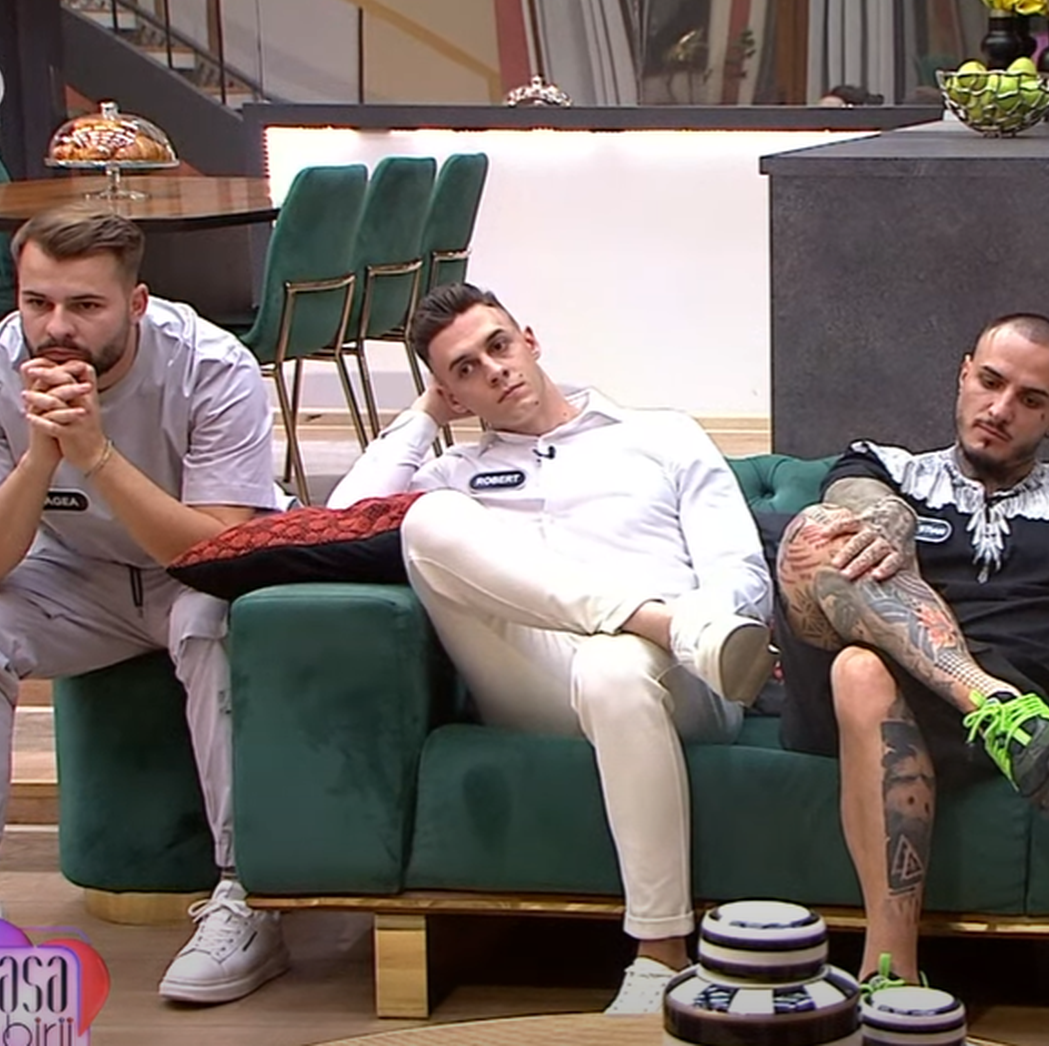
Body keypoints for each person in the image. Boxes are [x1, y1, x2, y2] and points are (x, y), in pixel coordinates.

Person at [325, 283, 776, 1014]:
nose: (494, 370)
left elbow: (738, 568)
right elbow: (340, 522)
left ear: (529, 341)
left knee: (613, 666)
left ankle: (660, 955)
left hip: (681, 678)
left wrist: (705, 624)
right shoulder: (455, 474)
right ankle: (651, 619)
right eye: (465, 370)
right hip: (539, 680)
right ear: (453, 393)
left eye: (499, 346)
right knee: (427, 521)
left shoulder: (660, 435)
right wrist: (424, 417)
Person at [0, 204, 290, 1004]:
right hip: (77, 576)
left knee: (210, 622)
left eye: (85, 306)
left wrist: (96, 452)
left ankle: (245, 894)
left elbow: (217, 552)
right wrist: (41, 457)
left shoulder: (211, 365)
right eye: (37, 302)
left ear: (135, 303)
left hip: (198, 575)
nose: (57, 328)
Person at [772, 312, 1049, 992]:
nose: (1001, 408)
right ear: (964, 374)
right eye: (990, 382)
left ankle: (888, 975)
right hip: (898, 705)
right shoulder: (887, 468)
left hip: (1001, 685)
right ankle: (996, 709)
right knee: (818, 533)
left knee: (861, 670)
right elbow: (852, 499)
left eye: (1031, 399)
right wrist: (890, 517)